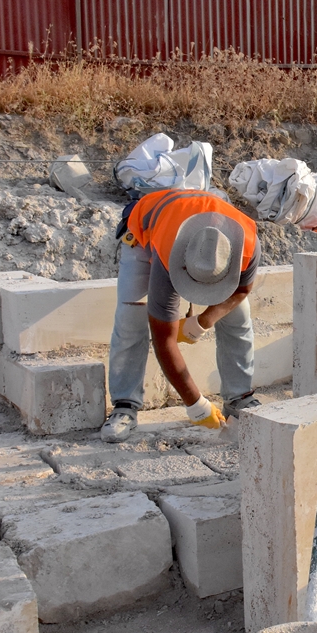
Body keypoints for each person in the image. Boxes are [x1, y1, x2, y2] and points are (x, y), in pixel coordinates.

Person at [101, 188, 262, 443]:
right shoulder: (166, 254)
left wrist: (202, 322)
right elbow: (164, 341)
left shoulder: (248, 243)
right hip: (146, 232)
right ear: (181, 267)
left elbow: (241, 291)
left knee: (238, 316)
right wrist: (196, 405)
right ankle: (125, 406)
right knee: (131, 315)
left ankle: (239, 398)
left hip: (193, 223)